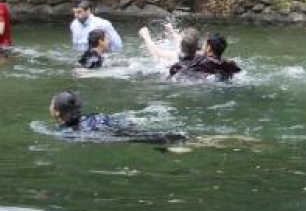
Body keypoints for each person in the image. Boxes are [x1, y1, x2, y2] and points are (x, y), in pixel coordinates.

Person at [49, 89, 186, 143]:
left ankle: (171, 140)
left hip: (103, 131)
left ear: (56, 111)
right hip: (111, 123)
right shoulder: (91, 117)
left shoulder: (65, 132)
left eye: (51, 103)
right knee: (142, 135)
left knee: (141, 137)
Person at [169, 34, 242, 82]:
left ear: (209, 47)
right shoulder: (228, 64)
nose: (202, 46)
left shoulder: (201, 61)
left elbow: (175, 71)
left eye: (204, 44)